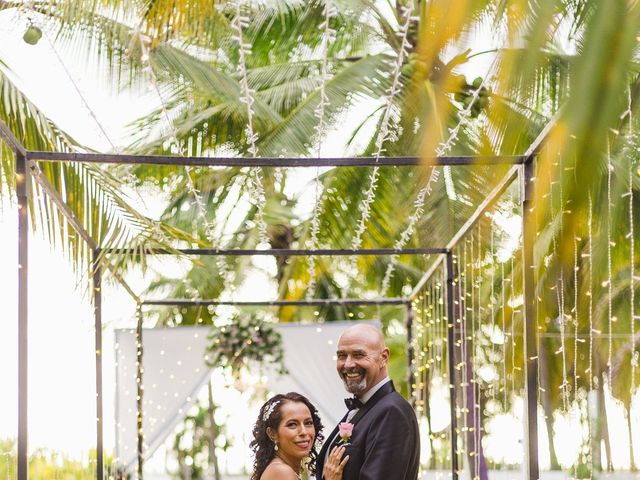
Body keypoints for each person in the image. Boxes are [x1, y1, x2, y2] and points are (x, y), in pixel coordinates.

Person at [316, 324, 420, 480]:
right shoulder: (369, 407)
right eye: (342, 355)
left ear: (383, 357)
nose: (348, 364)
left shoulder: (392, 411)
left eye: (358, 355)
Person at [251, 391, 348, 480]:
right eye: (292, 424)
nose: (304, 432)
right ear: (272, 434)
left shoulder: (279, 468)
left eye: (308, 423)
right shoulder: (281, 472)